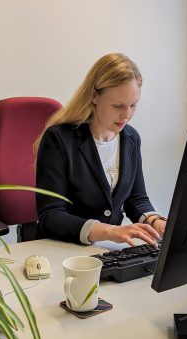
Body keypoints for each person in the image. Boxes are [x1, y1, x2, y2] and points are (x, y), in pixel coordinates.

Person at [34, 53, 166, 247]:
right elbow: (51, 216)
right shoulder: (59, 139)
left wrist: (156, 221)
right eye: (118, 106)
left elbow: (136, 198)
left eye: (133, 105)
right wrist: (110, 231)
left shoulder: (130, 139)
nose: (127, 115)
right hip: (62, 249)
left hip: (107, 250)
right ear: (94, 96)